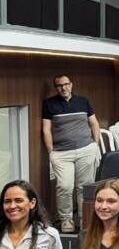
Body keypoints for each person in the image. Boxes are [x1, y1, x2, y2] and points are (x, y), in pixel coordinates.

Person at [42, 75, 102, 233]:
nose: (63, 88)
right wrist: (51, 152)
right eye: (59, 85)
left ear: (71, 85)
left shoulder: (83, 101)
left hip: (86, 150)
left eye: (66, 84)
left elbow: (94, 123)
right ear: (56, 87)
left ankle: (85, 219)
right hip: (61, 153)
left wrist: (95, 144)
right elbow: (46, 129)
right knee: (65, 186)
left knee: (84, 188)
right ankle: (66, 220)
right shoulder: (49, 104)